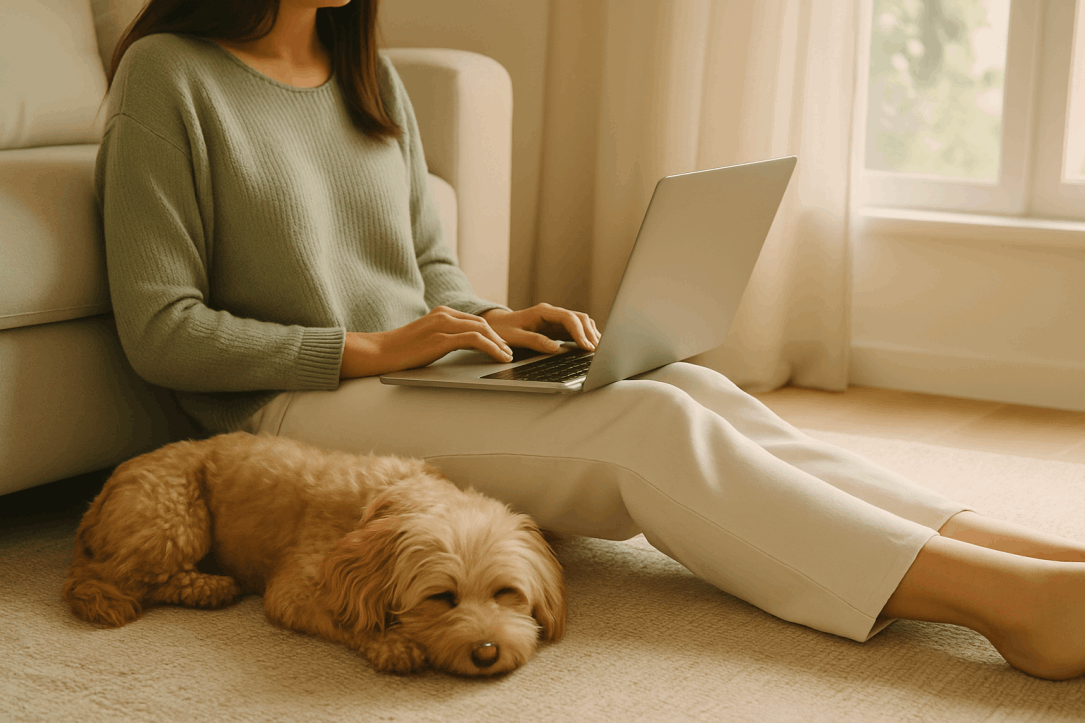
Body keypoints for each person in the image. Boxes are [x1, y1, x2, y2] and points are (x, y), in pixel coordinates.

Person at [97, 0, 1085, 680]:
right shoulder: (167, 76)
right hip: (290, 411)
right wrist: (374, 348)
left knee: (690, 390)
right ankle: (1008, 607)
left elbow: (431, 269)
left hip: (407, 373)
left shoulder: (370, 77)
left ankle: (1029, 558)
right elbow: (162, 332)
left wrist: (487, 322)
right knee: (645, 426)